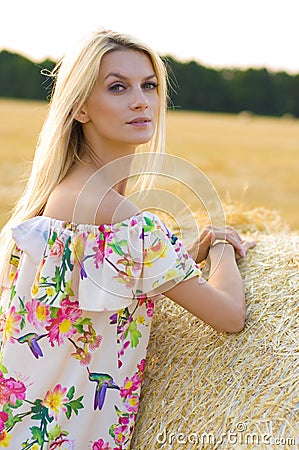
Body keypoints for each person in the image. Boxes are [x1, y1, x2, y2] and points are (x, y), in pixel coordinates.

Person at [0, 29, 256, 449]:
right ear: (80, 106)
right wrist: (225, 248)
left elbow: (102, 290)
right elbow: (230, 316)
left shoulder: (65, 193)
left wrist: (188, 253)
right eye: (118, 87)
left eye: (149, 85)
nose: (141, 100)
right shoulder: (115, 214)